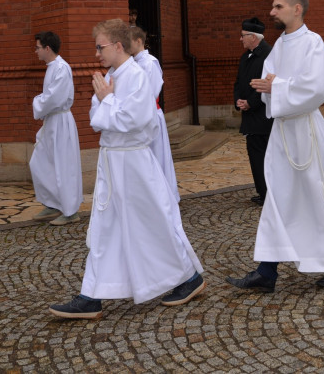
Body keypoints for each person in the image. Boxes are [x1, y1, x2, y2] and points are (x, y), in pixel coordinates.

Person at [49, 19, 204, 319]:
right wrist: (106, 104)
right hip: (113, 160)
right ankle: (92, 295)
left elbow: (136, 120)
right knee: (107, 228)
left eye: (100, 47)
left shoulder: (137, 75)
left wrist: (107, 102)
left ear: (118, 46)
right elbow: (96, 118)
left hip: (132, 162)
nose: (97, 53)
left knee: (153, 221)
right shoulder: (112, 75)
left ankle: (189, 277)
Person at [226, 0, 324, 292]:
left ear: (296, 9)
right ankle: (266, 271)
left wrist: (278, 87)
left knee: (319, 193)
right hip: (283, 130)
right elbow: (271, 83)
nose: (271, 12)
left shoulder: (313, 43)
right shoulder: (280, 46)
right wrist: (270, 88)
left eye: (277, 7)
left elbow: (319, 87)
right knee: (278, 196)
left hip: (307, 131)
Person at [31, 31, 83, 225]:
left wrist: (37, 102)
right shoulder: (52, 67)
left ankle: (70, 211)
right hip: (52, 121)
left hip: (60, 122)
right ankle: (53, 203)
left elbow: (54, 97)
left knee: (63, 165)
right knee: (41, 162)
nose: (35, 51)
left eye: (37, 48)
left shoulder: (61, 67)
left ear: (47, 48)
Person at [130, 26, 180, 203]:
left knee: (156, 155)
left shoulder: (150, 62)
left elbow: (150, 92)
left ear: (138, 41)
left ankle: (163, 195)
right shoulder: (132, 63)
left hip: (150, 115)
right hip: (140, 116)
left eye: (129, 41)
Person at [234, 16, 274, 205]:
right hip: (250, 115)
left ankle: (268, 194)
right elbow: (239, 82)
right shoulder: (245, 56)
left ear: (253, 37)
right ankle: (262, 191)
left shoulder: (268, 55)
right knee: (255, 156)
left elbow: (268, 85)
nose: (240, 39)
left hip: (263, 117)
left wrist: (251, 102)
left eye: (243, 36)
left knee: (263, 156)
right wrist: (238, 101)